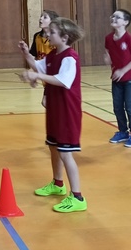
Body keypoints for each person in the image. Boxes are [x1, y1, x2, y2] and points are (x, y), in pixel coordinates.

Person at [18, 17, 87, 213]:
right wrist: (26, 54)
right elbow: (38, 66)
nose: (48, 35)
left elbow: (63, 80)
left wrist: (37, 76)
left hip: (67, 111)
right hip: (55, 109)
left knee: (65, 153)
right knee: (54, 147)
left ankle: (78, 197)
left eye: (52, 32)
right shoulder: (53, 55)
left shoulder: (70, 57)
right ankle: (58, 184)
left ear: (64, 37)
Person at [104, 9, 131, 148]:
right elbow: (108, 53)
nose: (113, 18)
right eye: (113, 16)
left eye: (117, 17)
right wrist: (108, 59)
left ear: (125, 22)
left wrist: (123, 70)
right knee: (117, 107)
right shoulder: (108, 38)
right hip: (117, 78)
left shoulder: (130, 39)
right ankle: (123, 131)